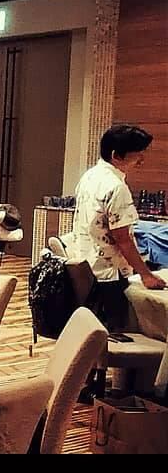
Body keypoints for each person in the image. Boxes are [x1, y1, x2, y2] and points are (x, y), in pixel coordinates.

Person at [73, 124, 166, 333]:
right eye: (137, 155)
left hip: (88, 267)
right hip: (109, 274)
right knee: (117, 334)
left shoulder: (89, 176)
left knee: (93, 333)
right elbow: (123, 240)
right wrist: (146, 275)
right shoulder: (116, 187)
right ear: (116, 155)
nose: (141, 160)